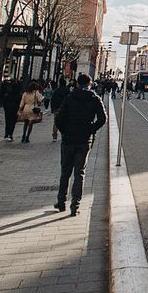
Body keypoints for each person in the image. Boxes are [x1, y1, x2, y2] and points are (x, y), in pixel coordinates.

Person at [54, 73, 107, 217]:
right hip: (84, 140)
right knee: (80, 173)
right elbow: (103, 119)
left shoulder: (70, 98)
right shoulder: (94, 98)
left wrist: (65, 131)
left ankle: (61, 202)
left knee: (65, 172)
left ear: (77, 83)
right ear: (90, 84)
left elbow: (58, 119)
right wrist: (90, 129)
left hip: (68, 140)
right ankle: (75, 206)